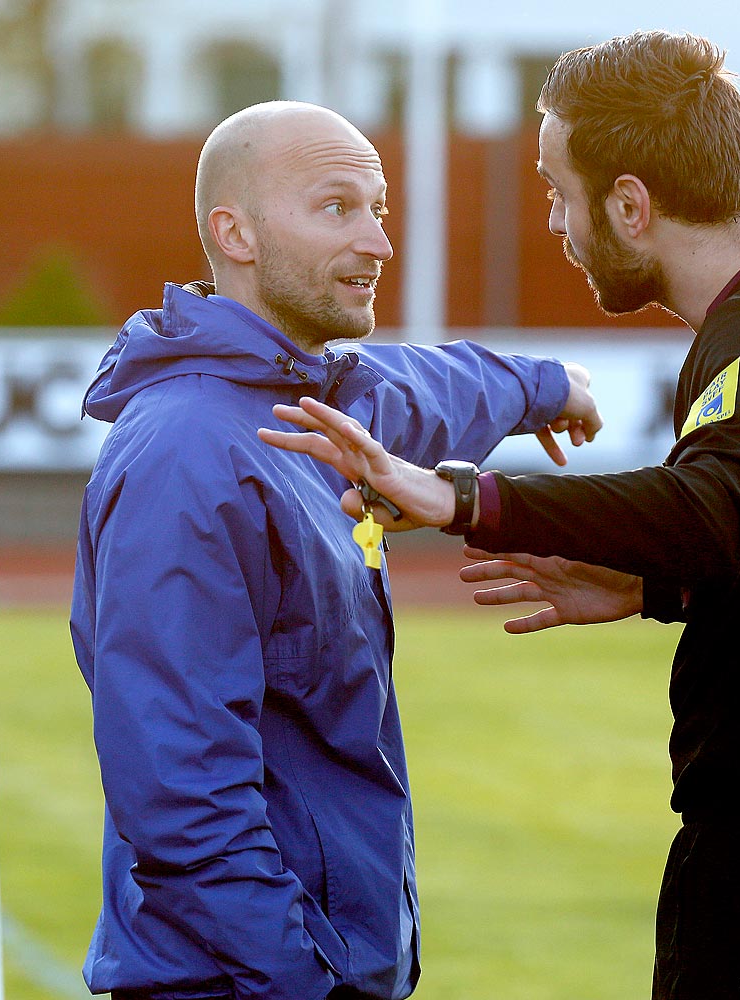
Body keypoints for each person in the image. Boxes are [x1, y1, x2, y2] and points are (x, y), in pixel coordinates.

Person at [257, 32, 740, 999]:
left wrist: (464, 496)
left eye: (560, 193)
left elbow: (728, 510)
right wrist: (655, 584)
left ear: (631, 206)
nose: (554, 222)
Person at [69, 100, 601, 1000]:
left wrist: (546, 385)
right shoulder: (187, 455)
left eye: (379, 209)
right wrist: (300, 978)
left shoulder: (315, 401)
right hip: (248, 982)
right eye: (335, 208)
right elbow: (183, 795)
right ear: (232, 233)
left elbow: (429, 386)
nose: (378, 243)